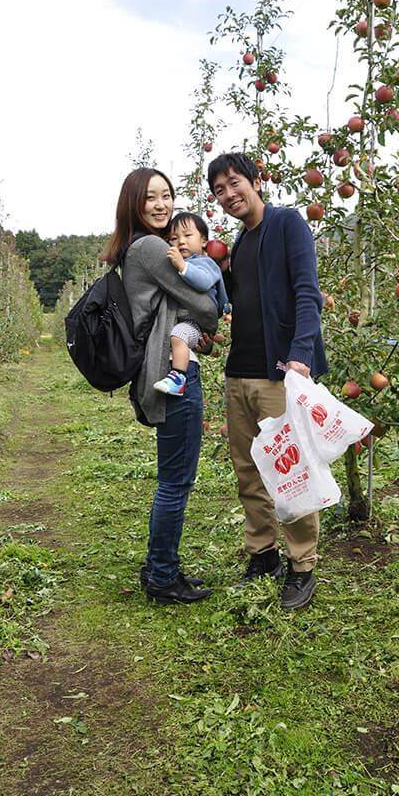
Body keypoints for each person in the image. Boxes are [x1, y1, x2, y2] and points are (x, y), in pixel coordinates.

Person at [207, 152, 328, 610]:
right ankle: (263, 555)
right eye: (218, 191)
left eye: (234, 183)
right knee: (249, 471)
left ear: (256, 181)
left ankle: (302, 565)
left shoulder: (287, 223)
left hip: (280, 374)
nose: (228, 195)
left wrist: (299, 355)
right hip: (240, 372)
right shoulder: (238, 243)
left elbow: (305, 291)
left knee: (290, 471)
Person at [101, 168, 219, 605]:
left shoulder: (137, 248)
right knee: (176, 482)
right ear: (133, 203)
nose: (161, 204)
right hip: (172, 376)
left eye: (167, 195)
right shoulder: (152, 248)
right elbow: (206, 307)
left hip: (157, 371)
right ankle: (163, 577)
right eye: (150, 197)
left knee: (171, 478)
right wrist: (211, 312)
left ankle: (159, 566)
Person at [153, 212, 230, 396]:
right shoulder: (176, 263)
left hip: (196, 322)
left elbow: (203, 282)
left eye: (188, 235)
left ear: (204, 240)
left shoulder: (206, 263)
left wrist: (182, 266)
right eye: (174, 238)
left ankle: (178, 378)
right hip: (186, 321)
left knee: (179, 335)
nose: (181, 241)